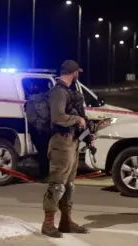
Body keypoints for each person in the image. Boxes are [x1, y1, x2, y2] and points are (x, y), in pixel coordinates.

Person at [41, 60, 89, 238]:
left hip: (71, 141)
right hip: (61, 143)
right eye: (78, 73)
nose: (79, 76)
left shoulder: (67, 91)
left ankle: (66, 222)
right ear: (74, 73)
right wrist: (77, 120)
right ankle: (48, 224)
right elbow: (57, 117)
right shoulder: (59, 92)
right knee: (57, 184)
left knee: (69, 185)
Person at [25, 81, 51, 180]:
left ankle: (43, 174)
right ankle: (46, 174)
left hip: (35, 130)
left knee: (42, 153)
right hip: (46, 129)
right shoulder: (49, 99)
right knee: (46, 153)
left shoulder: (30, 100)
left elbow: (29, 117)